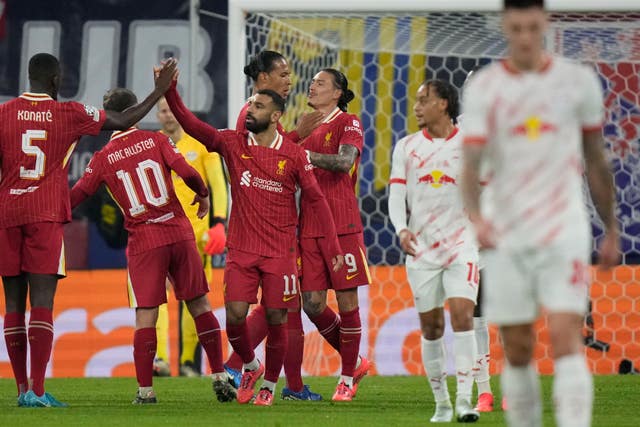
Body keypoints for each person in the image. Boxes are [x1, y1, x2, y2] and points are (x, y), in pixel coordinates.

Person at [460, 1, 620, 426]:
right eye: (517, 28)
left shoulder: (577, 82)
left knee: (567, 334)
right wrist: (476, 217)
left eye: (533, 27)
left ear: (545, 23)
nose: (526, 37)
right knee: (516, 346)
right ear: (504, 27)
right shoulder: (485, 89)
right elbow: (471, 164)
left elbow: (596, 159)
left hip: (563, 227)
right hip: (506, 231)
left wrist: (611, 228)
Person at [0, 53, 177, 408]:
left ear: (30, 78)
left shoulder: (3, 114)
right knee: (43, 304)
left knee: (14, 305)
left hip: (7, 214)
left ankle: (20, 390)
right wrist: (159, 91)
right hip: (46, 214)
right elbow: (123, 119)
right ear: (55, 81)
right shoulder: (69, 114)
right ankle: (37, 390)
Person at [163, 73, 344, 406]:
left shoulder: (293, 155)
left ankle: (269, 386)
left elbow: (317, 201)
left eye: (258, 106)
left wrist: (332, 247)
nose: (250, 109)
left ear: (275, 116)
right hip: (242, 250)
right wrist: (170, 91)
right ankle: (250, 364)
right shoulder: (233, 143)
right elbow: (192, 125)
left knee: (277, 317)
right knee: (234, 316)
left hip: (280, 253)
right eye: (250, 103)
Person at [70, 88, 236, 405]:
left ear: (109, 118)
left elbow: (79, 194)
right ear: (136, 112)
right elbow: (188, 172)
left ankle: (146, 390)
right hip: (178, 230)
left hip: (144, 241)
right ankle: (219, 374)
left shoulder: (102, 158)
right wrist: (202, 194)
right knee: (199, 304)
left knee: (146, 315)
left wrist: (53, 212)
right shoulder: (157, 141)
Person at [224, 50, 325, 401]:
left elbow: (275, 158)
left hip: (273, 232)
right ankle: (239, 366)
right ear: (263, 79)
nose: (290, 79)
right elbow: (256, 160)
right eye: (282, 73)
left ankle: (289, 384)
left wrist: (295, 136)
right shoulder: (251, 113)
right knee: (278, 310)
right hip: (261, 234)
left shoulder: (267, 114)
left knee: (286, 309)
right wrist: (300, 136)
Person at [389, 79, 480, 423]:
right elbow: (397, 196)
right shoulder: (407, 147)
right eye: (416, 100)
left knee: (462, 315)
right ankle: (442, 403)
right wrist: (401, 228)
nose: (416, 107)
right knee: (431, 328)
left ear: (443, 104)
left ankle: (465, 402)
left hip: (462, 244)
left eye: (423, 100)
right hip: (422, 249)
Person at [299, 68, 372, 402]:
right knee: (312, 304)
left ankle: (345, 378)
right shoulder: (306, 126)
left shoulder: (349, 121)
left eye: (321, 83)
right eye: (312, 82)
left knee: (347, 302)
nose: (313, 86)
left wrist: (303, 157)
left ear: (338, 92)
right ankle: (354, 361)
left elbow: (344, 163)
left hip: (341, 224)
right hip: (309, 226)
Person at [153, 97, 229, 378]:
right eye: (163, 111)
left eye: (172, 110)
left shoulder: (201, 145)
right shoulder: (152, 145)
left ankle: (187, 363)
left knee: (193, 298)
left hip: (196, 237)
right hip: (159, 232)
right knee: (156, 296)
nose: (168, 116)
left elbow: (218, 186)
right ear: (158, 116)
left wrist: (219, 223)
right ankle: (159, 359)